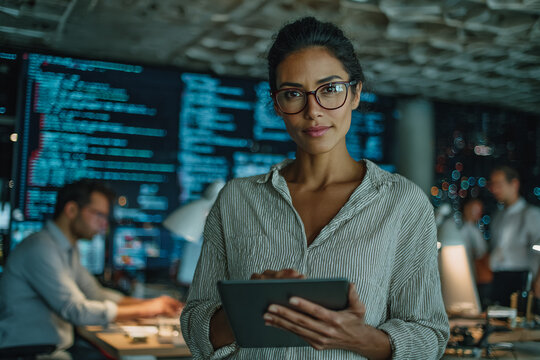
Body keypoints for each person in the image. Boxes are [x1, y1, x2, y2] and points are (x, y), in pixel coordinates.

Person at [181, 16, 449, 359]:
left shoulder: (403, 204)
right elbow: (194, 328)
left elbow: (429, 335)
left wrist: (360, 338)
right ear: (278, 105)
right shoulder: (236, 199)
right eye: (294, 94)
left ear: (355, 93)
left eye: (330, 89)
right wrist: (245, 311)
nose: (313, 111)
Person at [0, 179, 183, 359]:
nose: (104, 225)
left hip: (47, 350)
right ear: (71, 210)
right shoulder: (41, 248)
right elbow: (76, 310)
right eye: (98, 215)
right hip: (26, 353)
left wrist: (152, 305)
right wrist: (147, 309)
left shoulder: (67, 248)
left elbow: (95, 294)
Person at [488, 165, 540, 306]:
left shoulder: (531, 214)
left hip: (522, 279)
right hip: (498, 278)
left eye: (499, 184)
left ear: (514, 184)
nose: (494, 189)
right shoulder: (498, 216)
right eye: (492, 184)